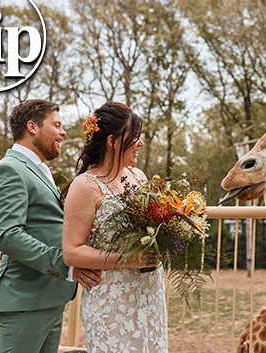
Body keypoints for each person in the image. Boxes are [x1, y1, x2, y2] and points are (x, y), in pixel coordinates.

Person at [0, 99, 102, 353]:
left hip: (50, 297)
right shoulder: (8, 170)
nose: (63, 132)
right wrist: (67, 265)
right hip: (25, 301)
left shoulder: (40, 169)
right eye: (57, 125)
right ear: (32, 127)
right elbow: (9, 236)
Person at [62, 101, 168, 353]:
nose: (141, 143)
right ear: (113, 141)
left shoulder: (139, 177)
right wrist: (130, 259)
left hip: (150, 295)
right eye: (136, 137)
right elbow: (72, 252)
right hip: (112, 303)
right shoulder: (85, 186)